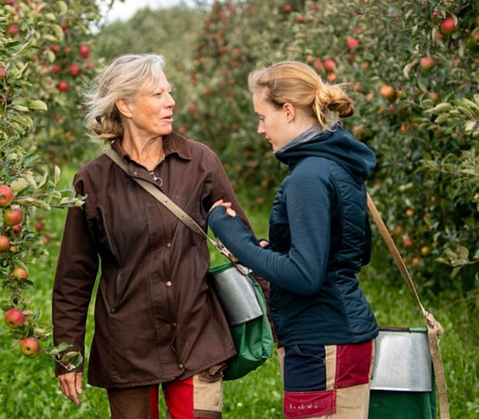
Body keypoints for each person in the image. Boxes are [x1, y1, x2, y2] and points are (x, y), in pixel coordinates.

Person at [52, 53, 251, 419]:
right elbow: (74, 276)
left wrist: (283, 326)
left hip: (197, 338)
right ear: (125, 105)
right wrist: (68, 354)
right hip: (128, 346)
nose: (171, 101)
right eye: (157, 94)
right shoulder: (92, 181)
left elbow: (245, 246)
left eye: (169, 92)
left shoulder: (200, 163)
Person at [207, 61, 379, 419]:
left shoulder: (308, 177)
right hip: (343, 336)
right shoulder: (340, 166)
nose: (259, 129)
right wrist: (281, 251)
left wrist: (235, 237)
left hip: (321, 341)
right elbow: (356, 253)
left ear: (287, 111)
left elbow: (305, 275)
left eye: (261, 116)